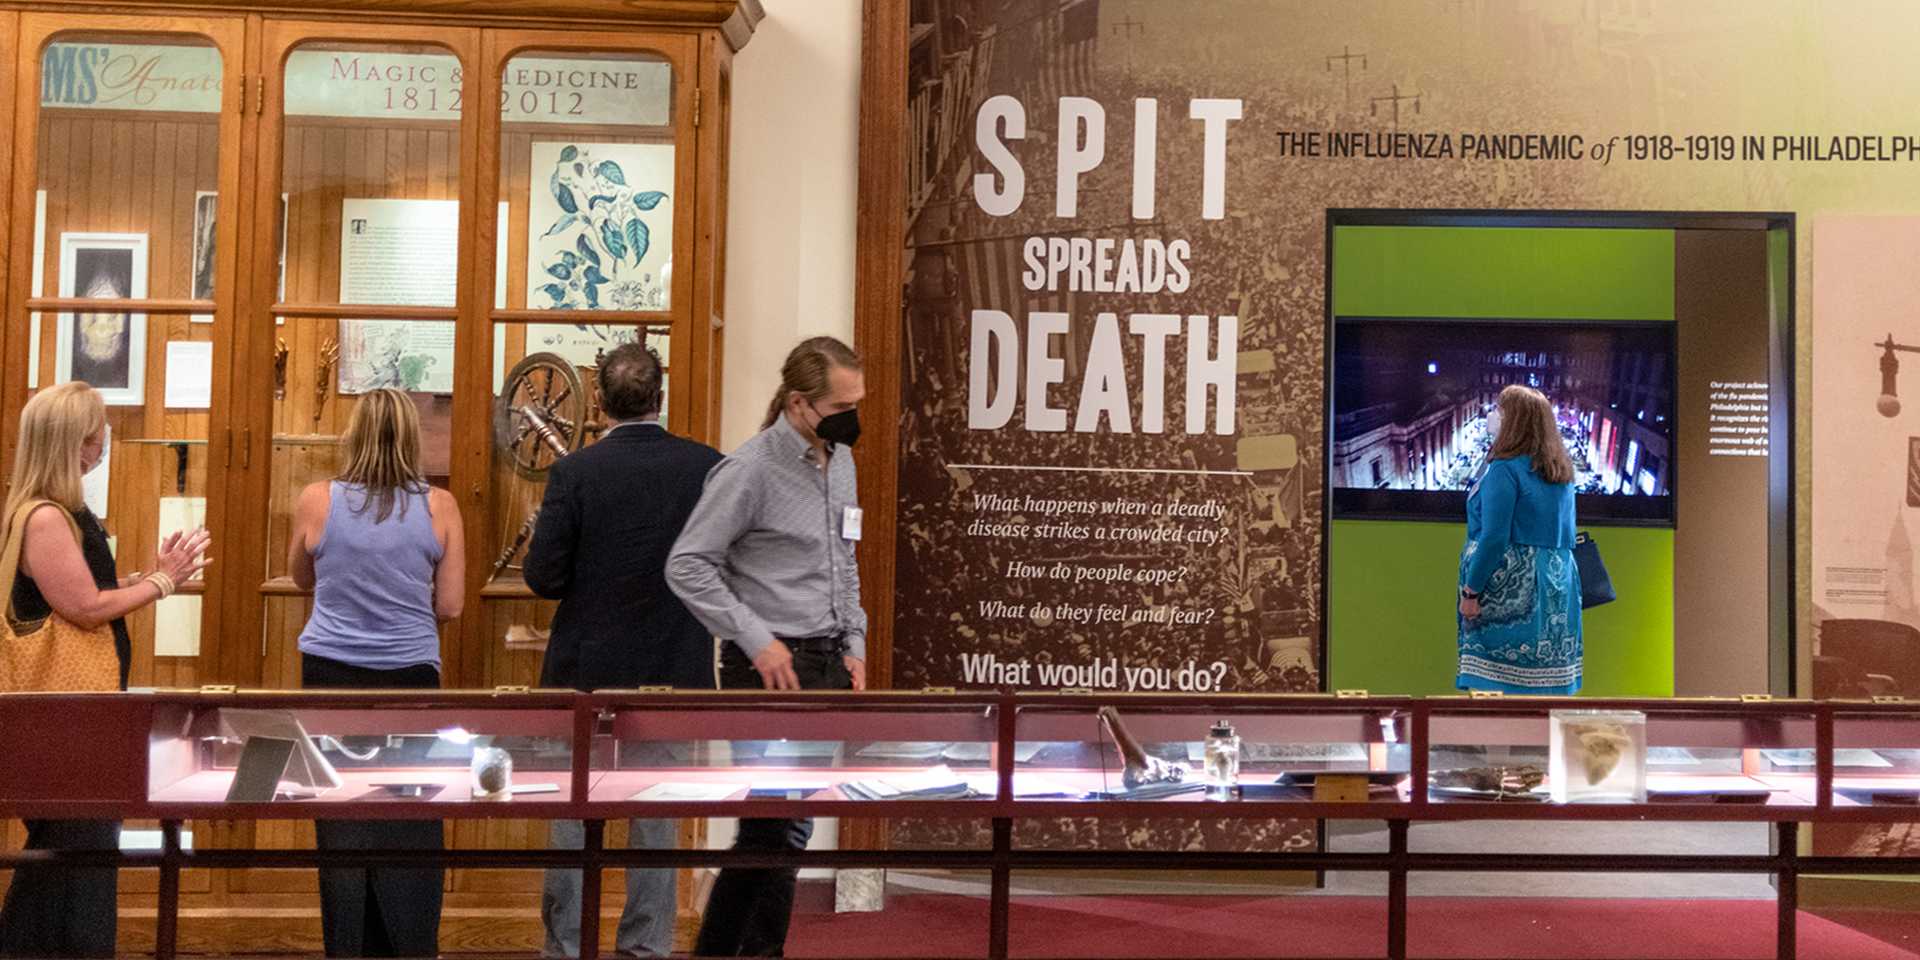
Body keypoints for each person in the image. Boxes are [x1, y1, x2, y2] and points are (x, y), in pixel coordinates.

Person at [668, 336, 868, 957]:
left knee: (789, 826)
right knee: (771, 825)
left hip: (827, 661)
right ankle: (725, 952)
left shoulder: (840, 460)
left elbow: (845, 558)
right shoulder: (750, 469)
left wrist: (854, 639)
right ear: (800, 402)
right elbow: (688, 564)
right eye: (841, 404)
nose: (851, 416)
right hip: (770, 669)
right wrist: (757, 640)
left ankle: (755, 953)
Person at [0, 381, 210, 958]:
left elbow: (83, 590)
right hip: (68, 718)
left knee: (73, 851)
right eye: (96, 434)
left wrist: (150, 575)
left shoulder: (60, 511)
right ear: (76, 443)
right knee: (78, 846)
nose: (102, 445)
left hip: (75, 713)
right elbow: (85, 609)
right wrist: (161, 584)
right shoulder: (46, 516)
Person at [525, 343, 721, 958]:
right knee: (656, 825)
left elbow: (543, 579)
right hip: (673, 670)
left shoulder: (575, 473)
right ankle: (646, 949)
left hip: (586, 672)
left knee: (574, 817)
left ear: (600, 405)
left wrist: (543, 533)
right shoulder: (707, 467)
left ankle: (566, 948)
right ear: (659, 399)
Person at [288, 387, 464, 958]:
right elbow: (452, 605)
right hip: (409, 674)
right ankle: (409, 943)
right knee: (411, 811)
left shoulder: (318, 499)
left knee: (340, 814)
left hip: (331, 674)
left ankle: (347, 944)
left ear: (354, 434)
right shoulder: (440, 506)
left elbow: (300, 577)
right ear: (410, 438)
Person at [1456, 384, 1582, 694]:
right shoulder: (1560, 471)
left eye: (1499, 410)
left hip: (1507, 585)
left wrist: (1471, 592)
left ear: (1514, 420)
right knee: (1544, 694)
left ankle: (1499, 743)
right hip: (1558, 585)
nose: (1492, 415)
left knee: (1497, 691)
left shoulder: (1504, 469)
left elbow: (1495, 539)